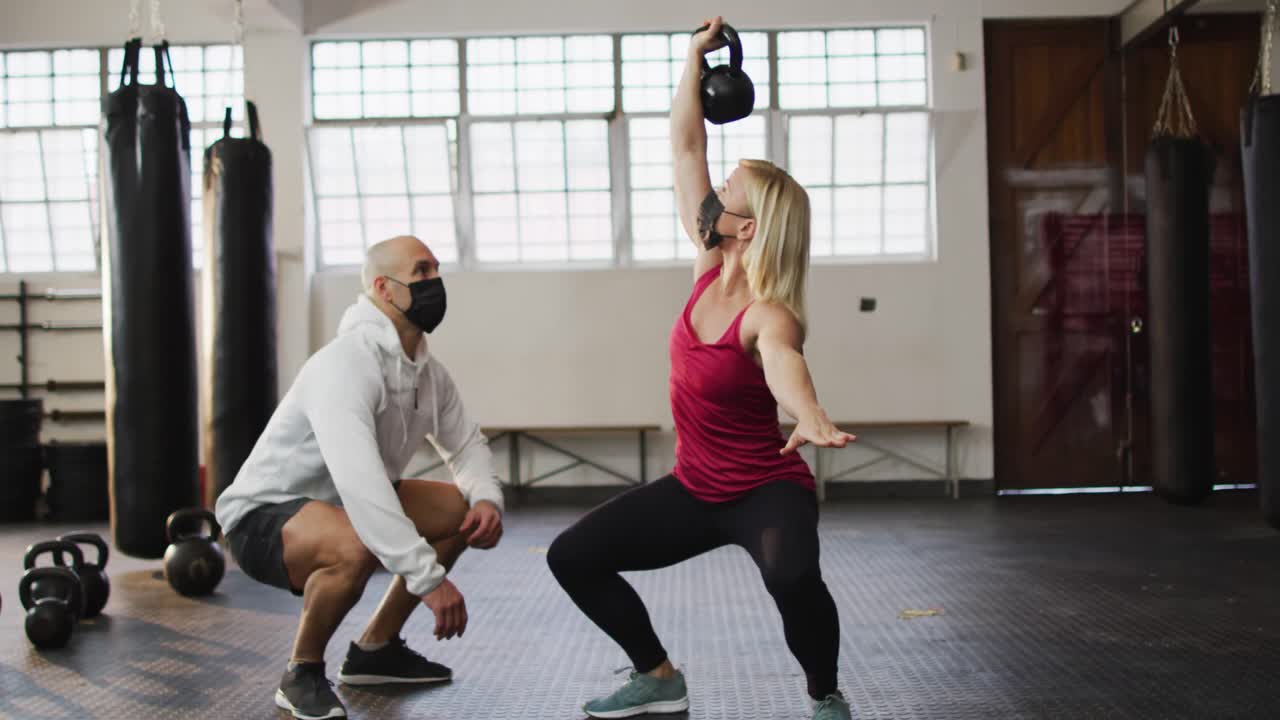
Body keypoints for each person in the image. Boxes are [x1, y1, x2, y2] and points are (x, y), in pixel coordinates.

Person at [547, 16, 856, 720]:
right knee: (572, 556)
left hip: (764, 490)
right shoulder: (707, 264)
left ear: (746, 227)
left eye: (730, 189)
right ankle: (656, 675)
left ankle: (825, 694)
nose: (713, 189)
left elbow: (785, 366)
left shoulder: (769, 313)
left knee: (791, 574)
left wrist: (810, 416)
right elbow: (687, 143)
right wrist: (692, 58)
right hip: (695, 488)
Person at [214, 235, 505, 720]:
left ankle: (375, 650)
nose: (436, 282)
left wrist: (487, 499)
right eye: (422, 273)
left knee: (460, 514)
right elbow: (361, 483)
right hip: (265, 515)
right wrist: (427, 579)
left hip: (342, 506)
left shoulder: (428, 374)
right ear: (384, 289)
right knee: (356, 543)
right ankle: (301, 672)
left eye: (436, 270)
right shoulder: (346, 363)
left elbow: (467, 444)